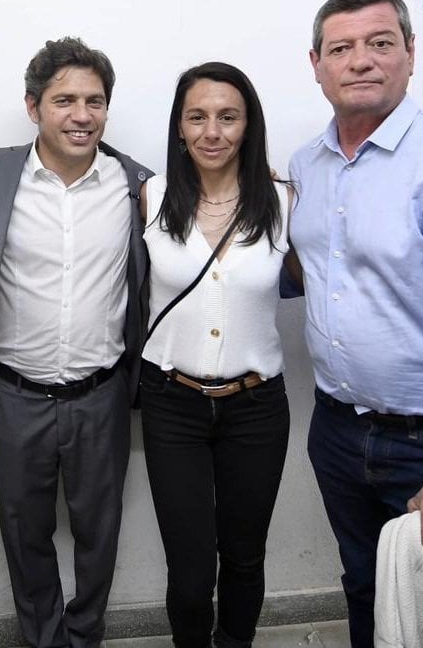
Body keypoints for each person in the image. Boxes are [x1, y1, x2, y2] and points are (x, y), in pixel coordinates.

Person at [288, 0, 423, 648]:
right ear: (316, 63)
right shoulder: (305, 166)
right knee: (367, 593)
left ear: (411, 54)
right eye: (341, 48)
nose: (361, 61)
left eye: (380, 43)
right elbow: (322, 275)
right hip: (337, 433)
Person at [0, 37, 151, 648]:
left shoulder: (136, 186)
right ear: (32, 105)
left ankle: (86, 634)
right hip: (16, 398)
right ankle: (43, 639)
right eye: (64, 99)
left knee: (101, 532)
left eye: (94, 101)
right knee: (23, 533)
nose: (81, 114)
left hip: (102, 394)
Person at [139, 62, 292, 648]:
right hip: (171, 402)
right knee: (191, 565)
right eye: (197, 117)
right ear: (179, 127)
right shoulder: (149, 195)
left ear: (248, 125)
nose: (212, 131)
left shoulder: (284, 200)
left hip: (256, 407)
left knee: (245, 556)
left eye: (228, 117)